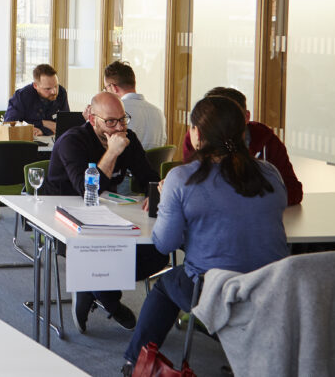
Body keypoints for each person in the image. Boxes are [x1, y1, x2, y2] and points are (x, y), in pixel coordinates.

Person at [121, 95, 288, 375]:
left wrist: (171, 206)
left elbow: (165, 244)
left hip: (214, 291)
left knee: (166, 284)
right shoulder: (270, 173)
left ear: (196, 134)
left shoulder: (182, 178)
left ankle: (134, 365)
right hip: (271, 291)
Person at [44, 92, 168, 332]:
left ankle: (95, 289)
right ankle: (109, 299)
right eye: (111, 121)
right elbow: (85, 190)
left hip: (106, 213)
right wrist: (111, 153)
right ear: (92, 119)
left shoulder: (127, 137)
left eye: (123, 119)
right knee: (103, 250)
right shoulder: (73, 141)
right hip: (63, 218)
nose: (119, 127)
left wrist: (158, 191)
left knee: (158, 251)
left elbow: (148, 177)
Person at [179, 87, 302, 206]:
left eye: (231, 118)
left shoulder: (266, 141)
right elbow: (191, 185)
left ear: (246, 117)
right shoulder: (196, 138)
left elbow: (293, 190)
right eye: (213, 120)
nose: (221, 126)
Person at [103, 60, 167, 149]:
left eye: (106, 88)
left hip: (125, 162)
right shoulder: (158, 112)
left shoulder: (115, 112)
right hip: (155, 163)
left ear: (113, 88)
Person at [5, 63, 69, 137]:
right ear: (35, 86)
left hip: (53, 141)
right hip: (28, 141)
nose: (54, 92)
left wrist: (42, 128)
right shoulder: (21, 96)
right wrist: (42, 123)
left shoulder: (61, 92)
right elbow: (10, 123)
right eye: (48, 89)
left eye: (56, 86)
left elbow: (65, 124)